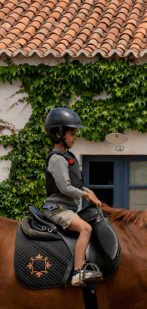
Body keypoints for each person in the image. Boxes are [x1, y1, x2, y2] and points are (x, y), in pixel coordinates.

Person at [43, 107, 103, 287]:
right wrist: (85, 195)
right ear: (58, 133)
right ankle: (78, 272)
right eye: (72, 133)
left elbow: (75, 184)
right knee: (85, 229)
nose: (75, 137)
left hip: (69, 209)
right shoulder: (57, 159)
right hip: (57, 209)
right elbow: (65, 187)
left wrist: (88, 191)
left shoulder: (67, 156)